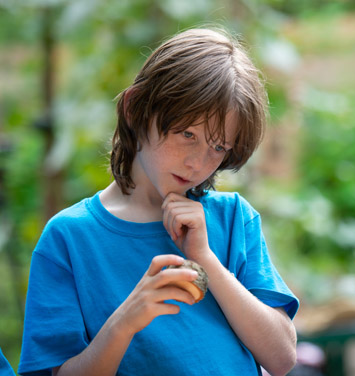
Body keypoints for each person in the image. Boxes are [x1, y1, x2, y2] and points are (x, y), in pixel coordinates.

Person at [18, 28, 298, 376]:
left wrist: (206, 259)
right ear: (135, 109)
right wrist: (125, 321)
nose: (197, 162)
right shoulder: (70, 238)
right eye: (187, 135)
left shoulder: (234, 218)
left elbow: (282, 358)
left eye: (218, 147)